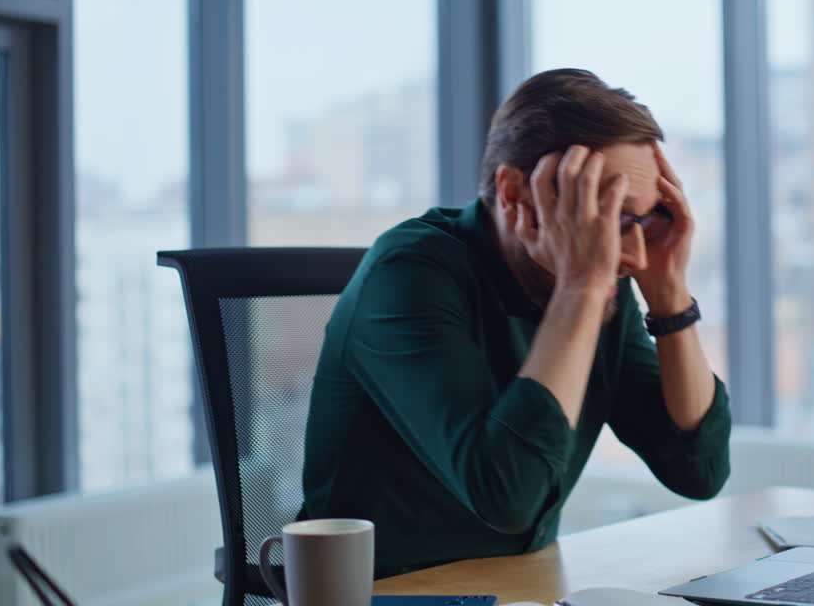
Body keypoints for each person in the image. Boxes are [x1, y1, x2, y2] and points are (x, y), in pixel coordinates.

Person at [301, 68, 731, 578]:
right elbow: (505, 498)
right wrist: (581, 290)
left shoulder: (602, 287)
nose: (633, 253)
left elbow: (697, 472)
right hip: (391, 592)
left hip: (521, 585)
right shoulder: (409, 274)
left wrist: (670, 297)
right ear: (512, 194)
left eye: (646, 220)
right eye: (609, 221)